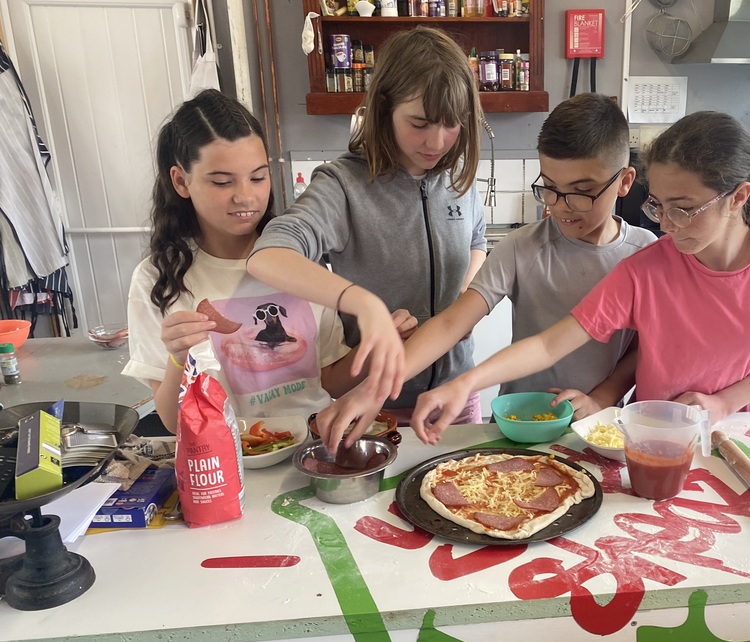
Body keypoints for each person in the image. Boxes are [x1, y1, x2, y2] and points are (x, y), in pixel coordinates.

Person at [410, 110, 750, 445]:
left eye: (683, 208)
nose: (667, 223)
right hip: (656, 434)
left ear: (738, 198)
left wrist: (723, 404)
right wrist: (465, 384)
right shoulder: (647, 268)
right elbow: (548, 343)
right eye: (658, 206)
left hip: (749, 430)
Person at [315, 93, 658, 452]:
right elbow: (452, 323)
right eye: (550, 189)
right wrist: (374, 389)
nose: (562, 206)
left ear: (624, 181)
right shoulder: (522, 247)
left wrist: (602, 397)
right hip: (514, 427)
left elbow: (641, 350)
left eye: (582, 192)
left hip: (598, 430)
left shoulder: (645, 255)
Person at [123, 90, 411, 432]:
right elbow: (172, 422)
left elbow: (326, 382)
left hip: (312, 446)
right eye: (221, 181)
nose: (245, 196)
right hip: (227, 460)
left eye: (258, 177)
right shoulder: (157, 279)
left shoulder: (300, 263)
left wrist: (377, 346)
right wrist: (177, 356)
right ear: (180, 181)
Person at [247, 26, 487, 430]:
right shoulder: (343, 186)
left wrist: (466, 295)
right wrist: (364, 303)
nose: (438, 141)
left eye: (452, 124)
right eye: (420, 122)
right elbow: (268, 256)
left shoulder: (457, 177)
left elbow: (477, 239)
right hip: (375, 403)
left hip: (456, 394)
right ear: (383, 109)